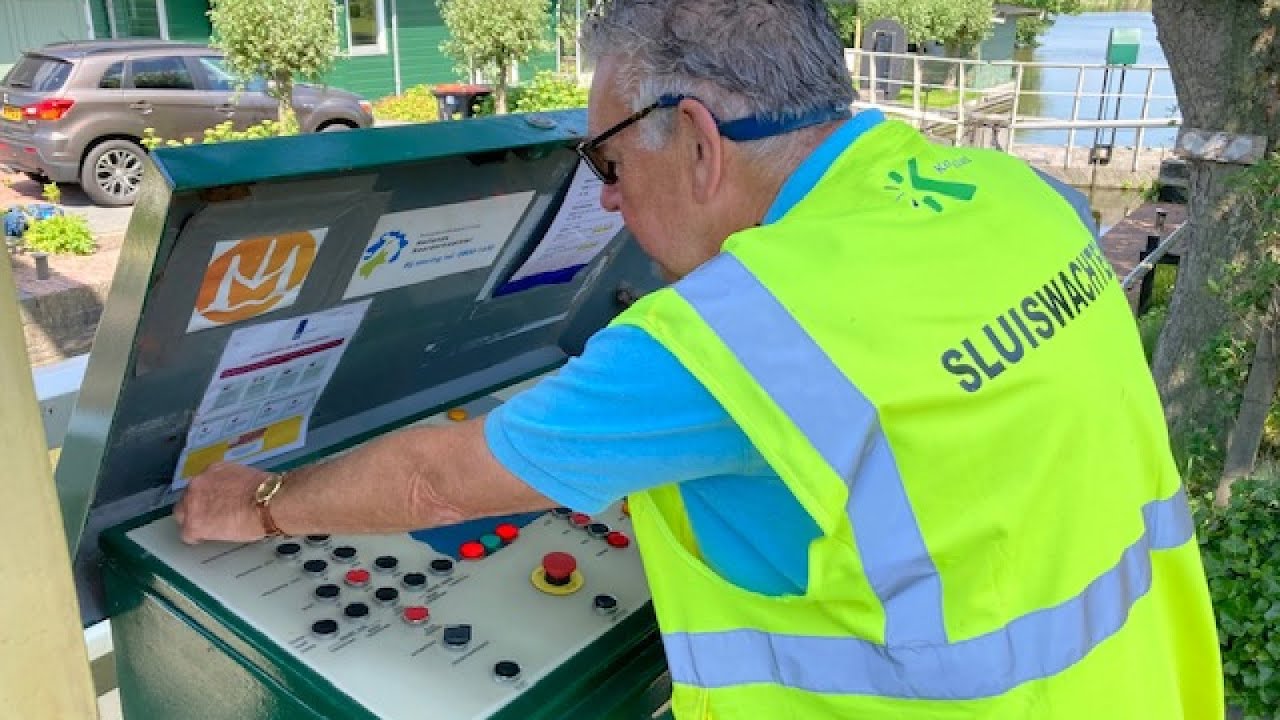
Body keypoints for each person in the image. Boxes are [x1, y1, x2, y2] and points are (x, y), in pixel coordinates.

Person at [176, 1, 1223, 717]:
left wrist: (259, 503)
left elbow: (431, 478)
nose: (606, 199)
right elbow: (958, 439)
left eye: (608, 161)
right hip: (1134, 684)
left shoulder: (736, 328)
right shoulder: (1015, 197)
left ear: (697, 138)